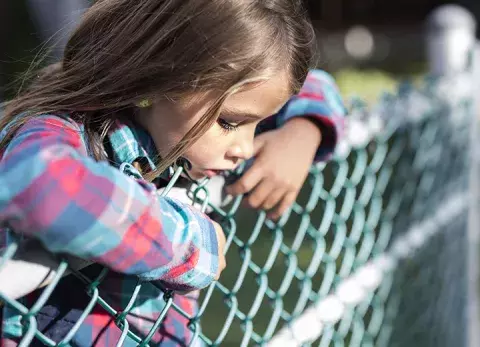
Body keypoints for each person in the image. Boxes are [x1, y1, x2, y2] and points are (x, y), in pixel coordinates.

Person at [0, 0, 345, 346]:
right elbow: (43, 185)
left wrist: (303, 131)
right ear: (158, 82)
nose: (245, 147)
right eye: (229, 123)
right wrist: (187, 242)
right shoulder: (65, 130)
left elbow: (315, 82)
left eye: (257, 124)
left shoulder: (180, 127)